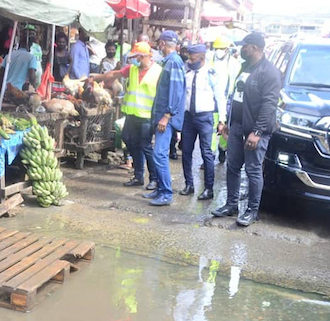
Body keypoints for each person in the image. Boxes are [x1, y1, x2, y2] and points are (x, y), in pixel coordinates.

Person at [211, 32, 281, 226]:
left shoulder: (269, 72)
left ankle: (252, 210)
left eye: (245, 46)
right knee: (232, 166)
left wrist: (257, 132)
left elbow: (269, 105)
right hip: (237, 127)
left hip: (254, 131)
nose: (242, 49)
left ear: (255, 47)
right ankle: (232, 205)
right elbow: (236, 97)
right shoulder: (245, 67)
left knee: (253, 170)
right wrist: (228, 122)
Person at [89, 42, 161, 190]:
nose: (132, 59)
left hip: (147, 116)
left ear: (142, 57)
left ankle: (154, 178)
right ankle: (138, 175)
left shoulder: (158, 72)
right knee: (128, 140)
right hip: (132, 114)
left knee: (146, 146)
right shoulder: (132, 69)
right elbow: (114, 74)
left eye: (135, 57)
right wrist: (97, 77)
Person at [142, 30, 186, 206]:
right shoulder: (169, 62)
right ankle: (160, 189)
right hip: (161, 115)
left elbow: (176, 92)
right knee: (158, 153)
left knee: (159, 154)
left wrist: (167, 116)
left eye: (159, 43)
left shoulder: (174, 63)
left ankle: (166, 193)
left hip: (165, 117)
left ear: (163, 44)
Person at [179, 44, 227, 201]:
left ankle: (208, 189)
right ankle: (189, 184)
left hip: (204, 117)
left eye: (193, 59)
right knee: (186, 151)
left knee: (206, 153)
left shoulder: (211, 73)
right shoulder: (186, 71)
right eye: (190, 58)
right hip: (188, 117)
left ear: (202, 58)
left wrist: (222, 120)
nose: (190, 61)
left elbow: (220, 96)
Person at [209, 35, 241, 163]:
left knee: (225, 128)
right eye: (217, 48)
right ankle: (210, 155)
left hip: (228, 100)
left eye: (222, 48)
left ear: (227, 49)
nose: (219, 50)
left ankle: (223, 149)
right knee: (211, 129)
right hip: (212, 100)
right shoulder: (209, 59)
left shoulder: (234, 64)